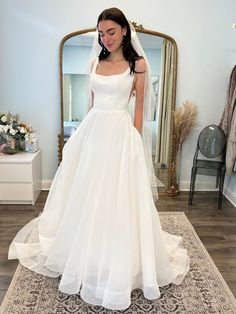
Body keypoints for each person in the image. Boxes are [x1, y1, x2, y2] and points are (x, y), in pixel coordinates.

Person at [8, 7, 190, 311]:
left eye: (112, 32)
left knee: (118, 197)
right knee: (88, 193)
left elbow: (141, 108)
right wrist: (79, 139)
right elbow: (92, 105)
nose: (106, 38)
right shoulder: (94, 62)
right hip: (93, 132)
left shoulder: (138, 65)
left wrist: (133, 140)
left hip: (120, 133)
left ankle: (120, 259)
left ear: (124, 32)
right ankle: (87, 254)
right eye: (102, 33)